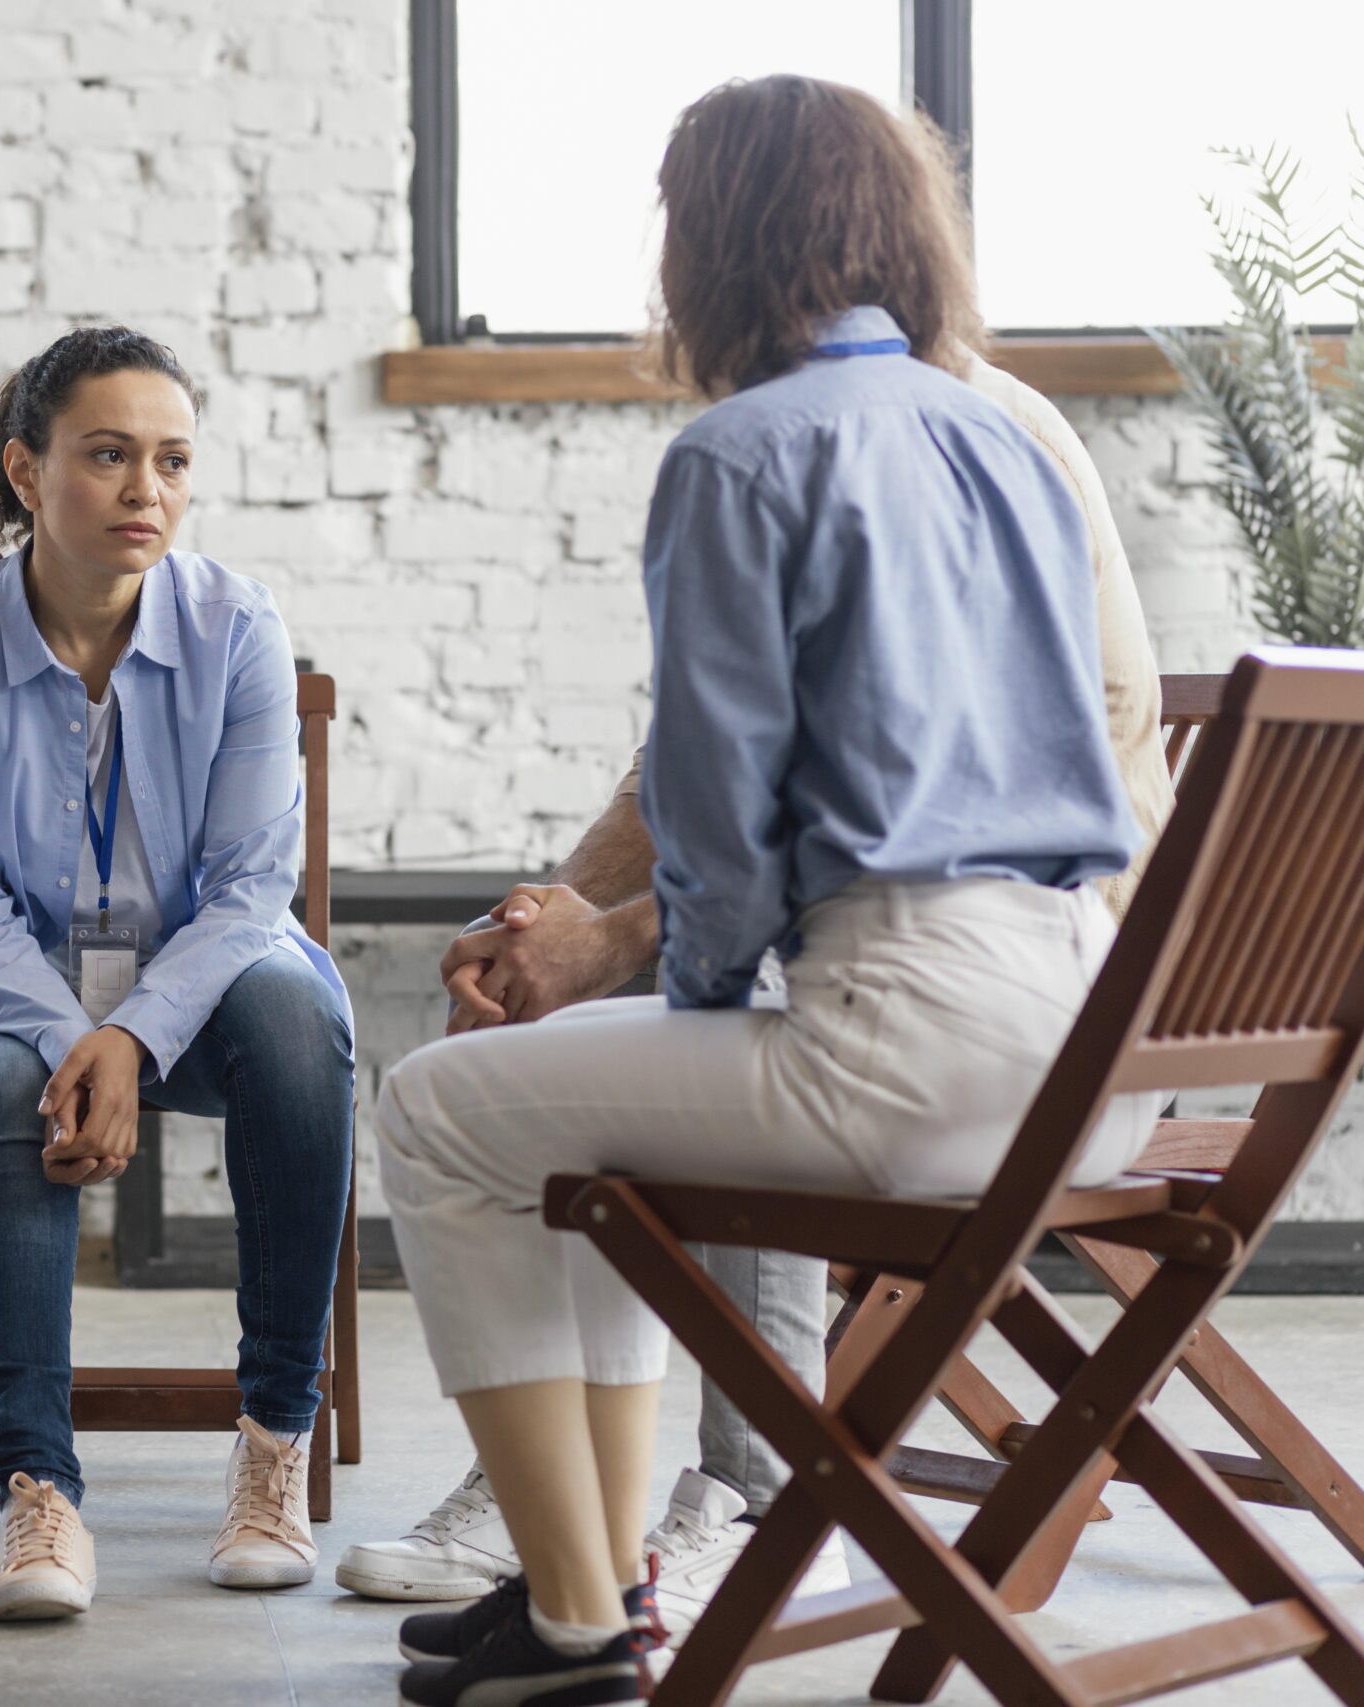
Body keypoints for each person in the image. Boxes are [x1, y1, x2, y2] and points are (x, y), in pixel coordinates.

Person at [369, 75, 1163, 1706]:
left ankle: (579, 1618)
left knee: (441, 1110)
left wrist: (692, 990)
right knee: (560, 1110)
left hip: (902, 1058)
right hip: (1088, 1059)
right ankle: (581, 1578)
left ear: (714, 240)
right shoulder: (995, 433)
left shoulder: (738, 454)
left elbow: (721, 825)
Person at [0, 326, 356, 1624]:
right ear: (25, 472)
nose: (148, 489)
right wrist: (72, 1036)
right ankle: (38, 1492)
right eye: (107, 456)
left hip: (195, 974)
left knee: (297, 1027)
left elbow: (255, 886)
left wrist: (133, 1038)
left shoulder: (236, 626)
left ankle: (272, 1447)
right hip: (9, 974)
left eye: (173, 460)